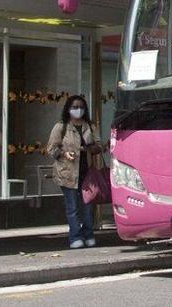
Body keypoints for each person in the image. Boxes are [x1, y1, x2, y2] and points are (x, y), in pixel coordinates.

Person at [46, 95, 103, 248]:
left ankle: (88, 234)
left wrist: (89, 148)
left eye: (81, 107)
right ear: (69, 109)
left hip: (86, 173)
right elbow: (51, 148)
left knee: (87, 206)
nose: (78, 110)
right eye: (75, 107)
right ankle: (75, 237)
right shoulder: (61, 127)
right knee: (72, 207)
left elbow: (99, 146)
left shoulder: (89, 126)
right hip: (67, 172)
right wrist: (64, 154)